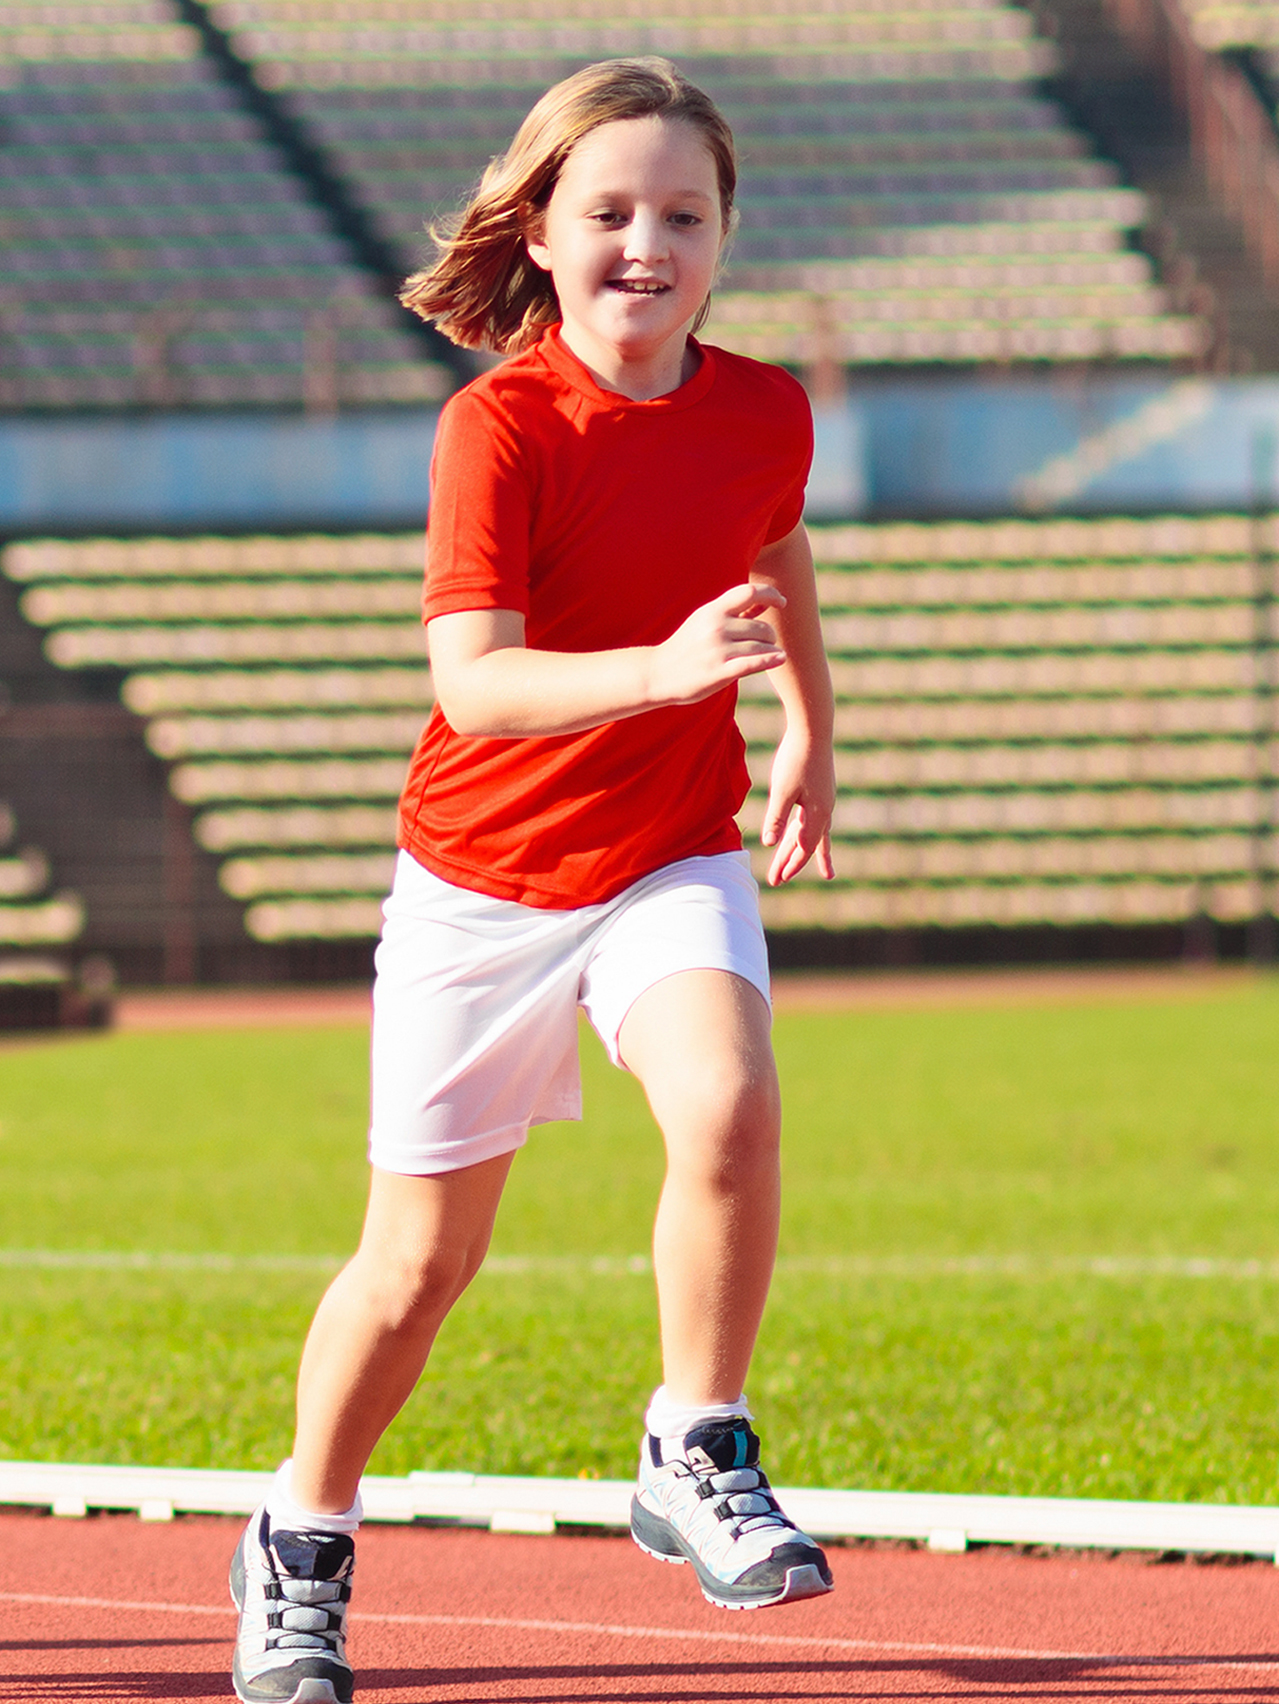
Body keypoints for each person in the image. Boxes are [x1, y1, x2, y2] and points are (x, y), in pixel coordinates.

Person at [226, 57, 841, 1704]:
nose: (649, 244)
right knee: (417, 1267)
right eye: (612, 212)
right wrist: (663, 672)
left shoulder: (766, 410)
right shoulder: (497, 427)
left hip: (669, 847)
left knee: (730, 1105)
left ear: (724, 237)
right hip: (482, 882)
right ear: (544, 235)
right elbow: (475, 684)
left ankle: (695, 1438)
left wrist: (811, 730)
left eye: (685, 215)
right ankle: (300, 1538)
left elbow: (773, 548)